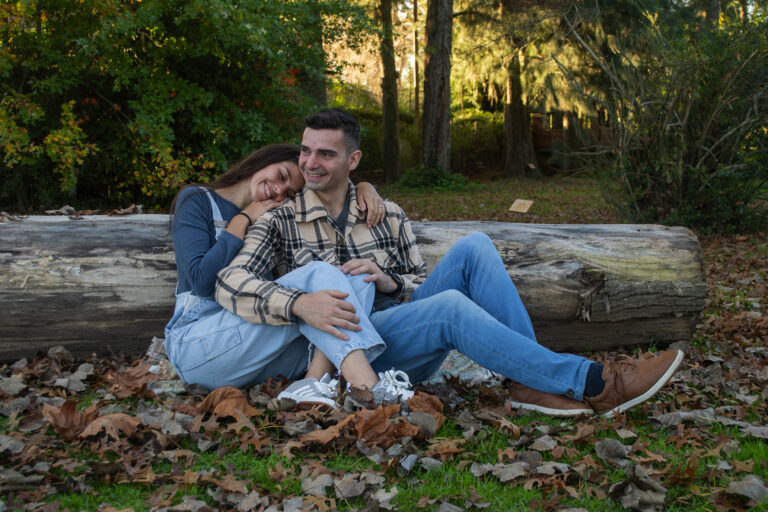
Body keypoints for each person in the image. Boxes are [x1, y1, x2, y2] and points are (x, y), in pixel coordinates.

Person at [215, 108, 685, 418]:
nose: (311, 162)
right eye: (305, 150)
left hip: (401, 341)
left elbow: (421, 284)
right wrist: (299, 304)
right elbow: (229, 282)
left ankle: (527, 384)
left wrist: (388, 281)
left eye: (326, 153)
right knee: (452, 310)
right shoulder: (279, 219)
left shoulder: (388, 214)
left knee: (476, 246)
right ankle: (597, 381)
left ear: (353, 159)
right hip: (345, 358)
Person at [164, 143, 414, 407]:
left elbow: (330, 195)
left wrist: (364, 187)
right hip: (199, 345)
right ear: (263, 159)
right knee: (320, 272)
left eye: (289, 192)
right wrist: (244, 217)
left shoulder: (276, 216)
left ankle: (312, 385)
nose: (279, 190)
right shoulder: (198, 200)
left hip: (254, 351)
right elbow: (202, 282)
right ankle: (369, 388)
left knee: (356, 277)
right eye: (281, 176)